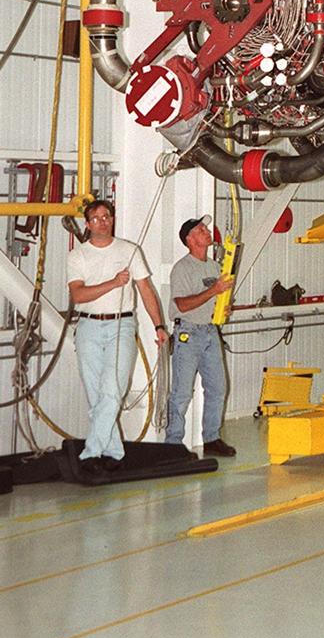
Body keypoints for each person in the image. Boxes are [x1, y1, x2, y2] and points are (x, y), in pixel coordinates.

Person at [67, 199, 168, 473]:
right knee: (96, 396)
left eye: (107, 216)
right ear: (87, 224)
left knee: (113, 391)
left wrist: (159, 326)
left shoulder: (129, 250)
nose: (103, 221)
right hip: (88, 327)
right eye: (96, 218)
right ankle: (114, 452)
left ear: (113, 219)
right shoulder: (78, 255)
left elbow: (146, 291)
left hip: (121, 325)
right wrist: (114, 282)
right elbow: (78, 295)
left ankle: (90, 454)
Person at [164, 215, 236, 456]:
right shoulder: (182, 269)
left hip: (210, 332)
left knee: (218, 388)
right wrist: (213, 290)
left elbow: (216, 299)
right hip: (188, 334)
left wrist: (224, 307)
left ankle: (212, 439)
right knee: (182, 393)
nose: (207, 231)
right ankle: (173, 444)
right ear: (190, 239)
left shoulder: (214, 267)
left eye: (206, 227)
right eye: (201, 229)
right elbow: (182, 304)